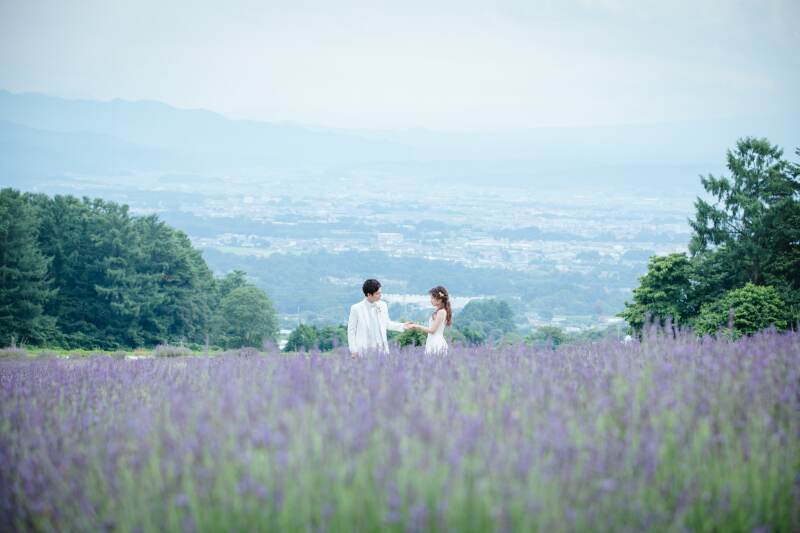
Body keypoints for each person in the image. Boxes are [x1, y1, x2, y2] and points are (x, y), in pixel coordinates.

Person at [347, 279, 410, 356]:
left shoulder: (383, 305)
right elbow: (351, 331)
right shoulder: (356, 308)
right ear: (369, 294)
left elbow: (387, 324)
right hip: (364, 350)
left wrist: (403, 326)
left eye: (380, 292)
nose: (380, 295)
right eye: (377, 293)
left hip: (381, 350)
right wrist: (354, 350)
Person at [407, 286, 452, 355]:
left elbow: (432, 330)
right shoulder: (439, 311)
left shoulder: (441, 312)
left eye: (432, 298)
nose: (431, 300)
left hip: (436, 343)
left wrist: (416, 326)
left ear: (439, 300)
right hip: (432, 341)